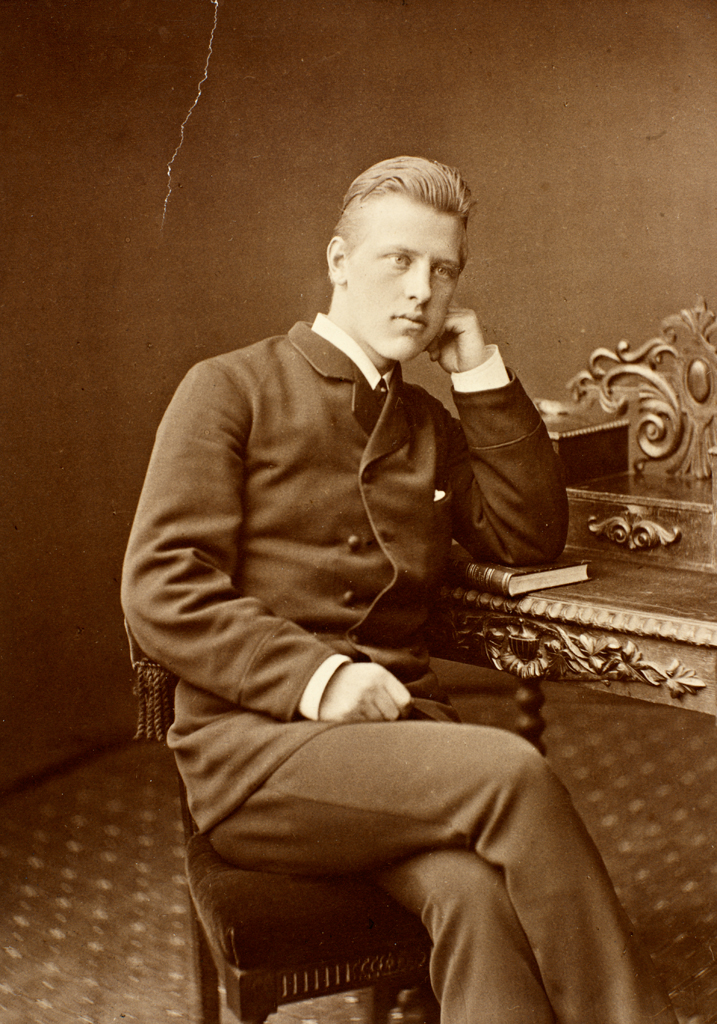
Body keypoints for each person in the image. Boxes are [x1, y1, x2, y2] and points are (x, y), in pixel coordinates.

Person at [122, 156, 677, 1024]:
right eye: (398, 260)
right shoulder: (229, 388)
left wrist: (477, 371)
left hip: (398, 751)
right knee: (511, 773)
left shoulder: (423, 423)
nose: (421, 291)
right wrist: (321, 679)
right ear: (339, 261)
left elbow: (525, 536)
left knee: (472, 896)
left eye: (443, 270)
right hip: (258, 757)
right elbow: (161, 583)